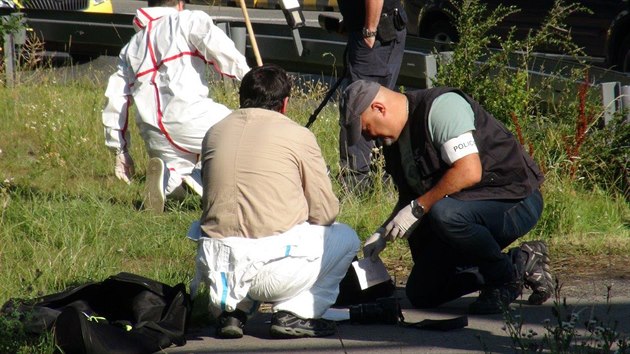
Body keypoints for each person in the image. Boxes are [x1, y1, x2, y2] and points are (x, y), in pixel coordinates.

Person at [341, 80, 554, 315]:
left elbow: (469, 171)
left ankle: (504, 279)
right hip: (463, 212)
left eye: (365, 128)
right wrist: (383, 231)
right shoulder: (393, 143)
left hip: (515, 201)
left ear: (379, 108)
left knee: (443, 214)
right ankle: (520, 261)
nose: (368, 137)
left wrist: (417, 208)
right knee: (422, 292)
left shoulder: (441, 108)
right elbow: (412, 198)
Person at [190, 64, 360, 339]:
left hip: (216, 267)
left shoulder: (214, 132)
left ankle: (232, 311)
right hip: (270, 270)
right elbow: (325, 212)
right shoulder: (298, 135)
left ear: (241, 99)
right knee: (346, 237)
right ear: (285, 103)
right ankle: (295, 313)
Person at [102, 0, 250, 212]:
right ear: (180, 4)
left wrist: (119, 149)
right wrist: (251, 78)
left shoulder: (130, 48)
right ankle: (198, 177)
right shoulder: (187, 20)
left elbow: (116, 99)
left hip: (153, 133)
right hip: (190, 118)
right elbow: (222, 51)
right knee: (248, 132)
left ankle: (170, 181)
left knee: (180, 174)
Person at [337, 0, 407, 189]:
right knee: (374, 105)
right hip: (376, 29)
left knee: (358, 105)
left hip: (375, 34)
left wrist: (369, 29)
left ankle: (356, 183)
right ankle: (381, 176)